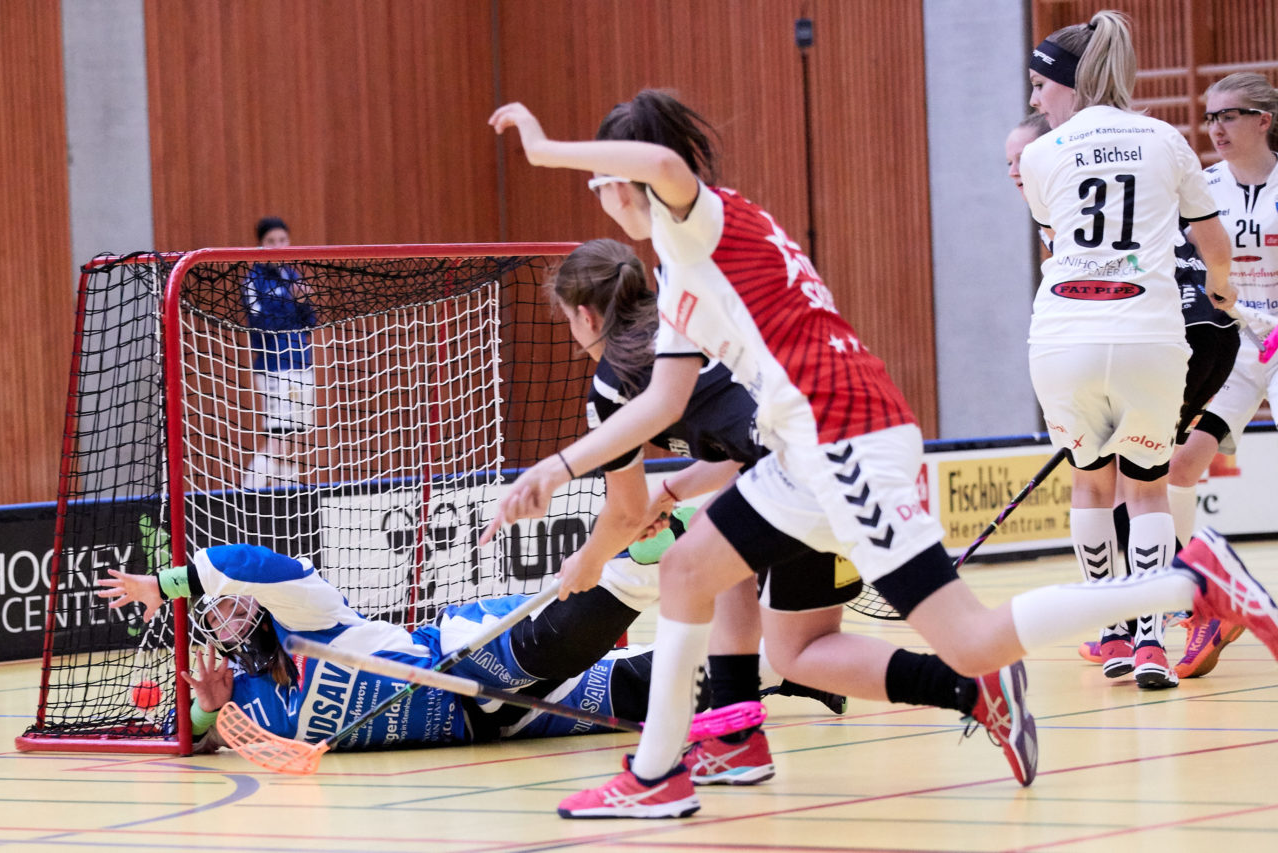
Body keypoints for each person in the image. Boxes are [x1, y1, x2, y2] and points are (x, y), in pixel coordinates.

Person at [485, 80, 1278, 819]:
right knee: (690, 567)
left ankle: (1188, 583)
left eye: (600, 181)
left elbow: (661, 163)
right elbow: (660, 400)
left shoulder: (703, 216)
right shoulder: (682, 259)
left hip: (845, 437)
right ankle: (660, 776)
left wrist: (544, 149)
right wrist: (558, 470)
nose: (605, 193)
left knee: (971, 639)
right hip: (800, 449)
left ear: (624, 178)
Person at [548, 238, 1036, 787]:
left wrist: (588, 563)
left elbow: (624, 511)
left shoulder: (615, 380)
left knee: (693, 565)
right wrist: (672, 494)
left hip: (803, 474)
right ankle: (968, 690)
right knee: (797, 646)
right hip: (839, 444)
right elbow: (741, 441)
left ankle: (677, 763)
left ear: (586, 315)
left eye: (568, 320)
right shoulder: (686, 312)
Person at [1020, 10, 1238, 689]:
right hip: (1147, 334)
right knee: (1146, 492)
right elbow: (1211, 244)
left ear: (1070, 84)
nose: (1033, 101)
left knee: (1091, 482)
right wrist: (1225, 295)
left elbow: (1061, 239)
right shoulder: (1165, 138)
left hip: (1063, 335)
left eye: (1038, 85)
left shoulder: (1038, 153)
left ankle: (1109, 630)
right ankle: (1149, 641)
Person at [96, 543, 675, 751]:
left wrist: (162, 585)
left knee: (546, 646)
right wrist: (208, 708)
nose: (227, 617)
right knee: (675, 690)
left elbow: (241, 562)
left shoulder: (309, 616)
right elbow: (189, 741)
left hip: (460, 656)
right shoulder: (242, 703)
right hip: (500, 728)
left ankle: (650, 549)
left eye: (232, 601)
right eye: (213, 615)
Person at [1163, 71, 1278, 676]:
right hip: (1235, 342)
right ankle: (1205, 595)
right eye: (1210, 118)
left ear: (1263, 119)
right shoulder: (1202, 188)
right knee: (1180, 466)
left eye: (1229, 115)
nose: (1215, 128)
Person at [242, 217, 317, 490]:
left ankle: (279, 491)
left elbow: (310, 322)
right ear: (260, 245)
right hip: (274, 366)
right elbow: (260, 324)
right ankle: (250, 490)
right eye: (271, 241)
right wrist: (290, 304)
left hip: (301, 363)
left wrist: (303, 301)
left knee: (292, 435)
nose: (278, 246)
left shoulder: (292, 276)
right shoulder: (253, 281)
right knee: (277, 433)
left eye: (283, 240)